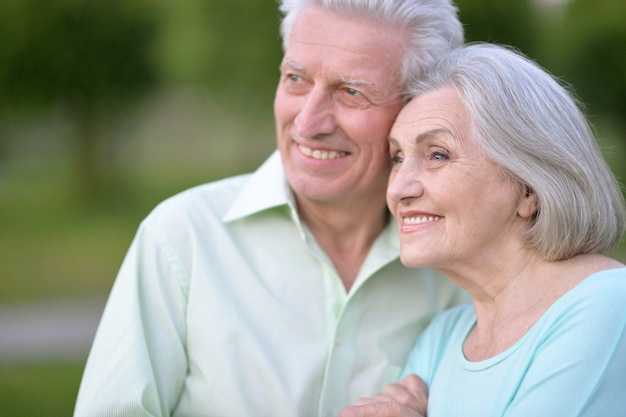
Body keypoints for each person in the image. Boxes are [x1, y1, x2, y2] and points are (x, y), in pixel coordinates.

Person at [73, 1, 467, 416]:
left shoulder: (462, 269)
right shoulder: (181, 239)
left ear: (418, 109)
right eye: (296, 79)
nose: (308, 122)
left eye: (351, 91)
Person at [340, 43, 626, 417]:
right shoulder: (443, 336)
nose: (397, 189)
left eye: (437, 155)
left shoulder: (608, 305)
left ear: (528, 187)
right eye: (397, 158)